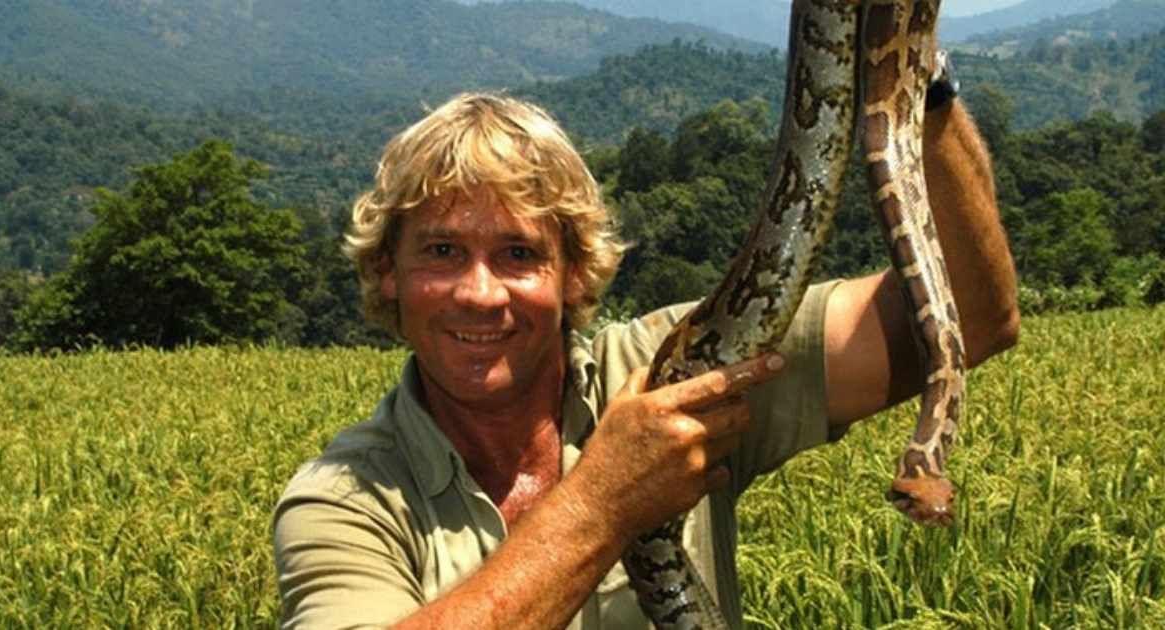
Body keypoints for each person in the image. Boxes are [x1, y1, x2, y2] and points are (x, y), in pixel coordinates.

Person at [273, 83, 1019, 628]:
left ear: (572, 274)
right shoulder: (342, 501)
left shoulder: (680, 370)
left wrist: (915, 75)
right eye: (441, 251)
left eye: (518, 254)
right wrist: (606, 500)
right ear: (387, 275)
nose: (480, 293)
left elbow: (970, 316)